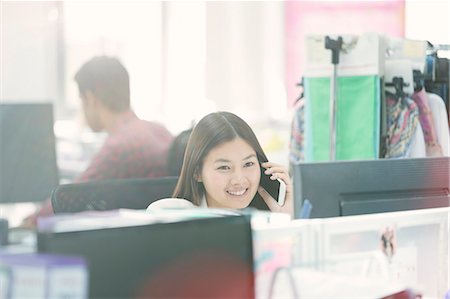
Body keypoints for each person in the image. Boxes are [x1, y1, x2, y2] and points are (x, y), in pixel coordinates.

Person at [23, 56, 174, 226]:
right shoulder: (160, 131)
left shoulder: (118, 147)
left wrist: (28, 223)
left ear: (90, 98)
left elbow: (68, 198)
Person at [150, 111, 293, 216]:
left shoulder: (266, 220)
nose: (239, 179)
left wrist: (284, 219)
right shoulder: (172, 216)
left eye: (248, 164)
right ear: (197, 172)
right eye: (224, 167)